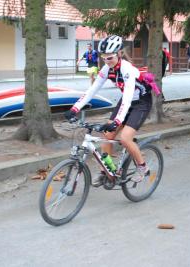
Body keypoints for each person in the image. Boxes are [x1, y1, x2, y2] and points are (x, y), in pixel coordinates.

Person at [66, 35, 159, 187]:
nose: (107, 61)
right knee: (107, 135)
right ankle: (107, 171)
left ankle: (142, 167)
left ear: (119, 54)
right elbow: (92, 90)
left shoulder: (127, 69)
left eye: (110, 58)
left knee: (125, 138)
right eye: (104, 58)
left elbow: (129, 96)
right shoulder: (106, 69)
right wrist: (75, 108)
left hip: (141, 103)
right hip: (126, 102)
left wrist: (117, 121)